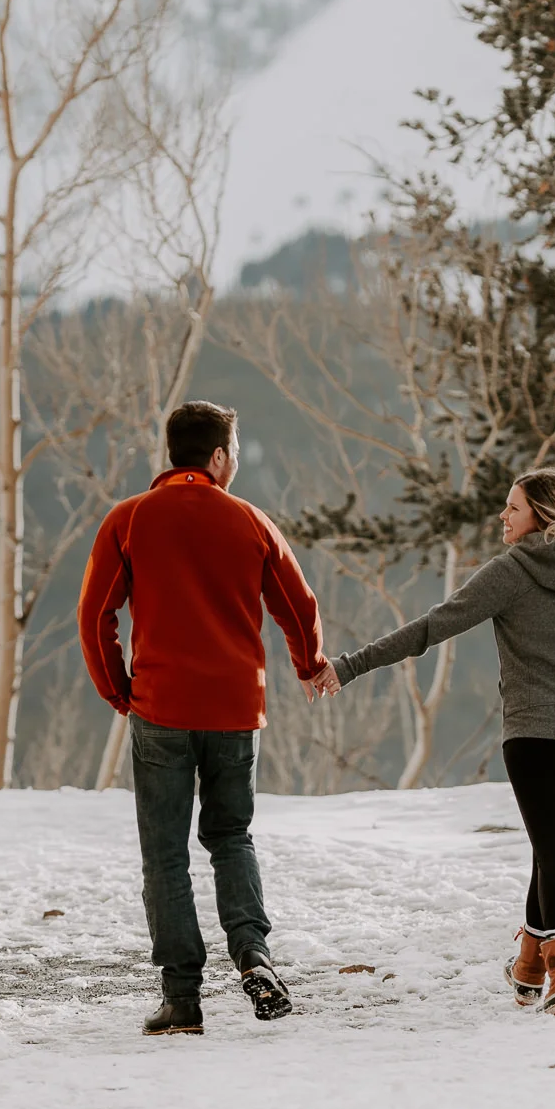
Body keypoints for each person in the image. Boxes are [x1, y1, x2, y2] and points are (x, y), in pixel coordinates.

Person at [313, 468, 555, 1015]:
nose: (504, 515)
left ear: (540, 515)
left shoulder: (513, 571)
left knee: (554, 850)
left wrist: (350, 665)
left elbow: (431, 628)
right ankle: (528, 969)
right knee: (552, 848)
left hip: (535, 736)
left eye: (513, 507)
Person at [79, 401, 330, 1036]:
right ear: (218, 456)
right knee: (231, 836)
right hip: (235, 710)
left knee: (165, 853)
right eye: (234, 451)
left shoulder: (128, 519)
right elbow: (299, 606)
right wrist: (309, 664)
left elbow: (94, 615)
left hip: (161, 707)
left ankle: (182, 1000)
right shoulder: (251, 521)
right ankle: (253, 955)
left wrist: (118, 690)